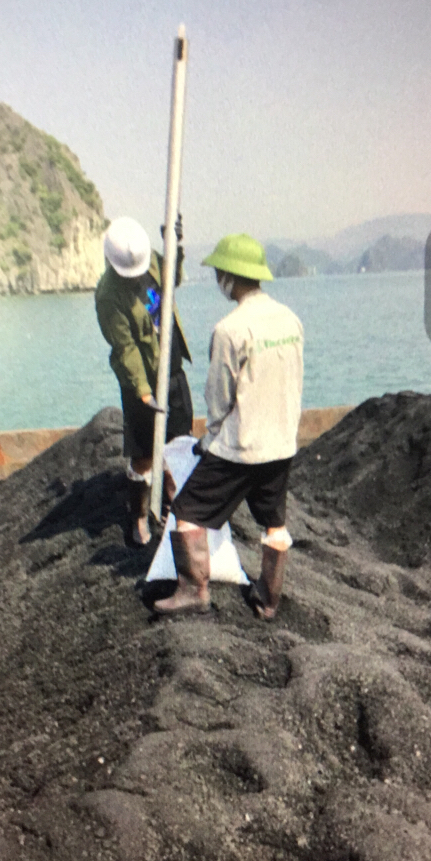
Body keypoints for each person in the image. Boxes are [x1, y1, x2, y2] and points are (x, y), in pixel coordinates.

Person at [154, 232, 304, 620]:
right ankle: (268, 600)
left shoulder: (229, 329)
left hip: (241, 447)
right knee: (273, 522)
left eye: (219, 273)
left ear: (229, 277)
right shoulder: (290, 320)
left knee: (187, 510)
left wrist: (209, 439)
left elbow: (219, 397)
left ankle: (193, 590)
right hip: (282, 443)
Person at [95, 215, 193, 545]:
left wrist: (174, 247)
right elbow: (125, 348)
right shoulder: (109, 295)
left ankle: (173, 508)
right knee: (143, 455)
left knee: (179, 444)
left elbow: (172, 279)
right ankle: (138, 514)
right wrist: (143, 392)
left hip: (171, 367)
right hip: (142, 380)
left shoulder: (149, 259)